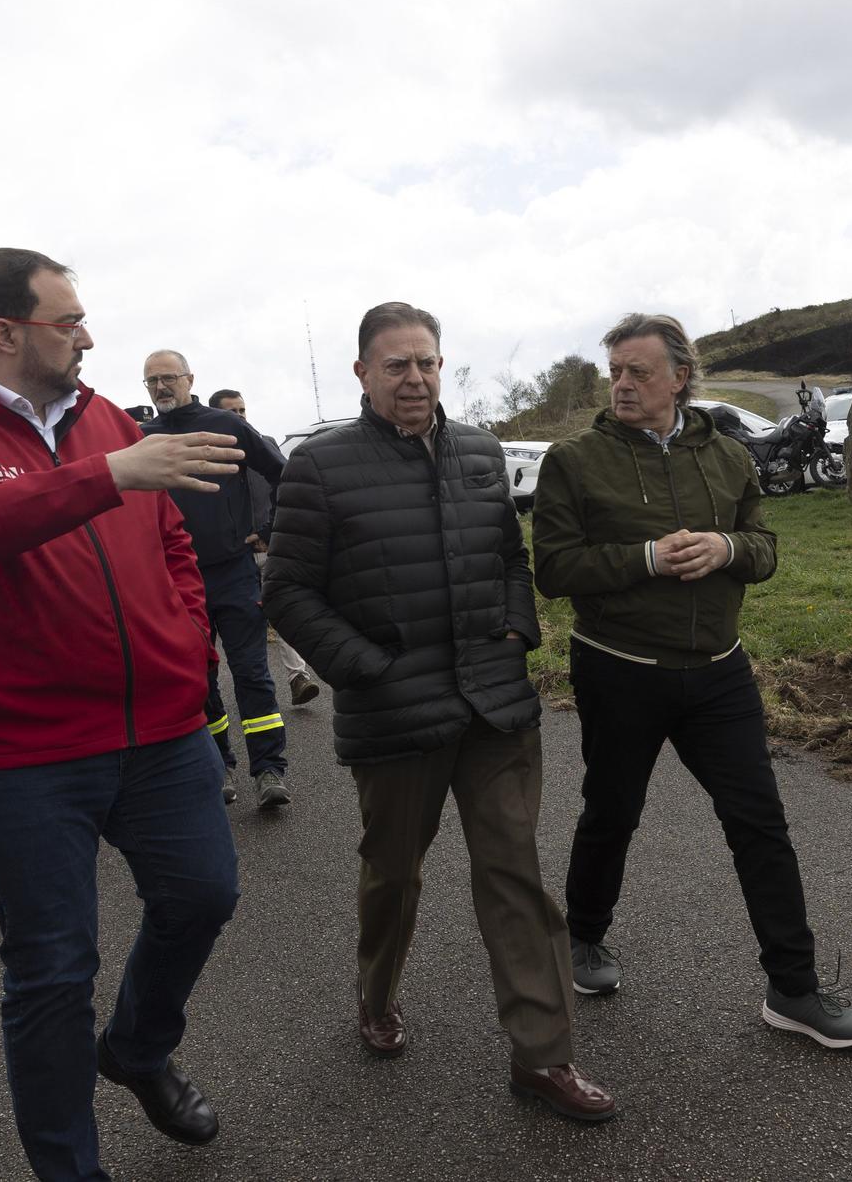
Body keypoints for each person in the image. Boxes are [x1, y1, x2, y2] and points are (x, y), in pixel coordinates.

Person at [0, 247, 245, 1181]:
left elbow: (172, 547)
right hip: (20, 752)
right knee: (50, 974)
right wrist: (109, 473)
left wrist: (189, 645)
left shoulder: (106, 417)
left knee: (204, 896)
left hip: (159, 730)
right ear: (6, 332)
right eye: (67, 319)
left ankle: (139, 1050)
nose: (86, 334)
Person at [263, 302, 615, 1122]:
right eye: (396, 365)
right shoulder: (319, 466)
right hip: (394, 716)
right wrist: (361, 668)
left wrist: (518, 625)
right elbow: (285, 589)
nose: (415, 378)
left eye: (426, 362)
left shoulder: (481, 451)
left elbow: (507, 557)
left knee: (515, 878)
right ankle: (376, 994)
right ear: (362, 373)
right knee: (393, 875)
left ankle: (543, 1057)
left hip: (493, 706)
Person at [531, 313, 852, 1050]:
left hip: (720, 673)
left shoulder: (727, 456)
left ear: (680, 377)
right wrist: (646, 558)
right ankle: (583, 938)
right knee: (611, 812)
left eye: (639, 372)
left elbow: (766, 548)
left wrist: (726, 546)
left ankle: (794, 986)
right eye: (615, 372)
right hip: (619, 670)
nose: (623, 384)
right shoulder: (574, 460)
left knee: (760, 823)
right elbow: (555, 569)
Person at [140, 353, 292, 810]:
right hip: (174, 580)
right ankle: (218, 764)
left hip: (233, 571)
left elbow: (282, 474)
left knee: (251, 673)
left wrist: (269, 531)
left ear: (190, 379)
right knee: (197, 678)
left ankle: (269, 769)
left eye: (169, 377)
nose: (161, 386)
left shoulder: (226, 424)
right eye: (152, 381)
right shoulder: (140, 438)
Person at [208, 388, 320, 709]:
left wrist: (268, 533)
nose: (241, 418)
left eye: (243, 410)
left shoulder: (265, 446)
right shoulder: (207, 455)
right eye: (233, 413)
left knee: (282, 609)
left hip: (269, 548)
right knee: (238, 625)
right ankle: (215, 688)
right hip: (231, 557)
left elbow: (286, 489)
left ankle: (298, 676)